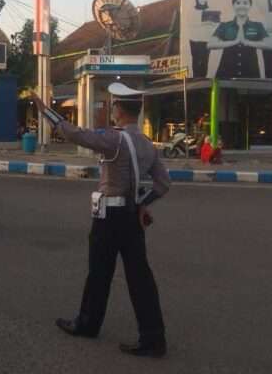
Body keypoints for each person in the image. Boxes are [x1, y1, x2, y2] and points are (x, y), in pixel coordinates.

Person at [31, 83, 171, 358]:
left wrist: (45, 110)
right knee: (140, 278)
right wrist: (143, 204)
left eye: (113, 106)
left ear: (118, 109)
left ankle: (88, 323)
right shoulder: (146, 144)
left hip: (109, 217)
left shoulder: (113, 139)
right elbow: (163, 183)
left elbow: (74, 134)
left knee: (99, 273)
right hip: (131, 217)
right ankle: (154, 338)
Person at [209, 0, 272, 79]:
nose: (242, 6)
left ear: (250, 5)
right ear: (233, 5)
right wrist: (234, 42)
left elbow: (269, 45)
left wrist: (247, 42)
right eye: (238, 3)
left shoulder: (258, 26)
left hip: (251, 74)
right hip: (225, 74)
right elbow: (210, 44)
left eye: (245, 3)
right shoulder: (224, 26)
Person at [189, 0, 216, 78]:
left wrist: (213, 23)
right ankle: (196, 79)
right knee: (197, 61)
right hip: (195, 40)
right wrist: (204, 23)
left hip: (206, 40)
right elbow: (191, 24)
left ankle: (203, 78)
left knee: (205, 61)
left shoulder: (209, 10)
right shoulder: (192, 10)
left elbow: (215, 25)